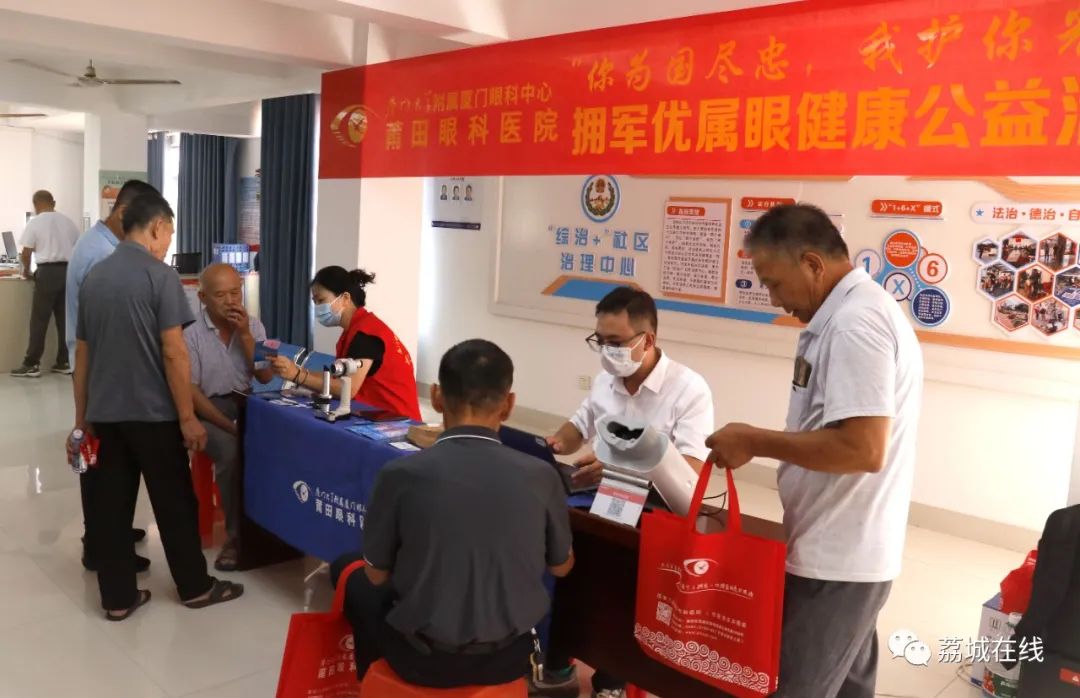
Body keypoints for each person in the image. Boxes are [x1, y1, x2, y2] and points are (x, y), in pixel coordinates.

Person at [703, 204, 923, 698]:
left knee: (796, 687)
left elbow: (863, 448)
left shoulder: (855, 324)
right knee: (847, 687)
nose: (775, 300)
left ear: (812, 264)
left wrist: (754, 440)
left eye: (775, 283)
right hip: (841, 546)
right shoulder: (849, 315)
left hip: (838, 559)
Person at [331, 339, 574, 687]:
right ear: (509, 404)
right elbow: (561, 566)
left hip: (421, 660)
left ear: (436, 396)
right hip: (510, 658)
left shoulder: (400, 474)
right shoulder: (542, 476)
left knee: (348, 571)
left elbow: (376, 575)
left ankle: (371, 685)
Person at [533, 286, 714, 698]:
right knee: (561, 559)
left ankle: (612, 679)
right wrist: (553, 445)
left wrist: (618, 468)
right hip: (598, 498)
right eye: (599, 340)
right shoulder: (606, 380)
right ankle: (557, 663)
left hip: (654, 508)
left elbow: (690, 473)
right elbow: (578, 425)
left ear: (647, 340)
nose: (606, 352)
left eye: (615, 342)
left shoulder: (689, 389)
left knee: (617, 588)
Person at [72, 190, 243, 620]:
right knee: (175, 503)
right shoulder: (160, 276)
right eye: (169, 234)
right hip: (154, 416)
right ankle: (195, 588)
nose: (168, 243)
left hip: (104, 415)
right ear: (156, 227)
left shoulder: (95, 277)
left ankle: (118, 600)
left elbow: (83, 356)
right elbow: (174, 351)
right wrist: (187, 417)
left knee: (111, 508)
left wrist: (81, 420)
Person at [65, 179, 159, 572]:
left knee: (108, 462)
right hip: (99, 371)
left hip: (98, 367)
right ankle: (100, 545)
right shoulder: (102, 255)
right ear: (124, 214)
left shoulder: (98, 244)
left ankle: (109, 533)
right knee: (100, 465)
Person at [184, 263, 274, 571]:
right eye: (220, 295)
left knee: (284, 442)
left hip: (245, 401)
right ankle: (237, 538)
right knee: (232, 452)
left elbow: (265, 376)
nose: (230, 301)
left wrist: (246, 334)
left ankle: (273, 527)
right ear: (202, 298)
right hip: (207, 410)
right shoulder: (190, 334)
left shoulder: (254, 326)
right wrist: (230, 427)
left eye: (235, 293)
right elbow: (193, 393)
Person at [270, 266, 422, 421]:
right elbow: (338, 377)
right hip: (377, 414)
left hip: (395, 421)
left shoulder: (366, 334)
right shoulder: (356, 329)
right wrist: (297, 370)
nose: (317, 308)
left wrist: (297, 375)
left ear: (345, 298)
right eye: (315, 302)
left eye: (321, 300)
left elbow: (348, 389)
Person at [10, 190, 80, 378]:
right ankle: (64, 361)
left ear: (35, 204)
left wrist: (26, 271)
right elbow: (77, 248)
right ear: (53, 202)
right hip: (67, 272)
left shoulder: (35, 223)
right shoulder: (68, 222)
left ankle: (32, 363)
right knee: (64, 320)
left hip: (47, 273)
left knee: (39, 320)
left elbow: (26, 253)